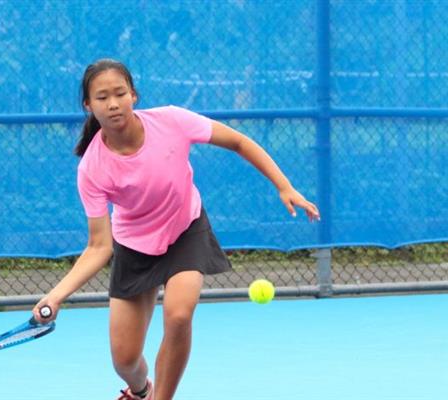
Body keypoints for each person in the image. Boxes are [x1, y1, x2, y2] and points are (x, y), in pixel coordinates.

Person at [33, 59, 320, 400]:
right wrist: (55, 295)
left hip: (185, 230)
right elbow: (99, 246)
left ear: (133, 95)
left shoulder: (171, 121)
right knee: (125, 360)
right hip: (134, 247)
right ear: (88, 105)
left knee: (179, 314)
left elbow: (239, 142)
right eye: (102, 97)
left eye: (120, 93)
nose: (113, 104)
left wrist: (284, 186)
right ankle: (141, 391)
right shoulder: (93, 168)